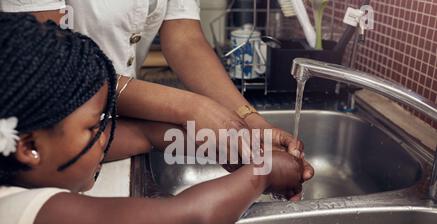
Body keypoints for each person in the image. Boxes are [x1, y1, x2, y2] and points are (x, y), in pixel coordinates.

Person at [0, 13, 308, 224]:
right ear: (29, 148)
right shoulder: (28, 215)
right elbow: (187, 223)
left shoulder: (21, 171)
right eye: (94, 126)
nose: (106, 135)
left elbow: (145, 136)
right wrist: (263, 172)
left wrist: (222, 142)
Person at [0, 0, 315, 163]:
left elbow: (184, 37)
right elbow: (48, 61)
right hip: (51, 138)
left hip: (113, 135)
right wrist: (189, 107)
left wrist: (250, 121)